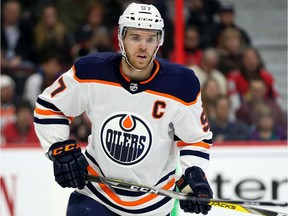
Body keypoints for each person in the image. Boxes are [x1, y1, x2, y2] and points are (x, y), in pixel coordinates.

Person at [34, 3, 213, 216]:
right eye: (135, 38)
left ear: (160, 40)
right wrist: (59, 148)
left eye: (150, 39)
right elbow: (50, 106)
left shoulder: (181, 85)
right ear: (121, 38)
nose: (143, 47)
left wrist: (193, 172)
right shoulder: (91, 71)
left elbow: (195, 138)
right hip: (96, 196)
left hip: (152, 207)